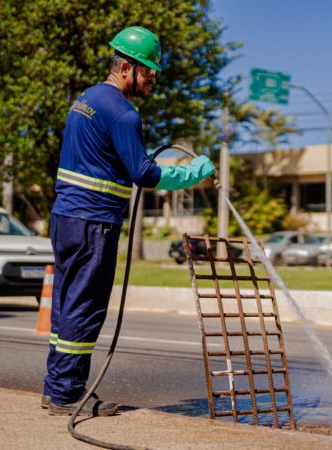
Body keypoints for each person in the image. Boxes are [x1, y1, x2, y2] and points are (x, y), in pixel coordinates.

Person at [42, 26, 215, 417]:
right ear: (126, 68)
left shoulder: (84, 99)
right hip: (94, 223)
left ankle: (55, 388)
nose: (153, 78)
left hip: (66, 217)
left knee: (66, 304)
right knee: (85, 309)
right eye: (148, 71)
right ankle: (67, 396)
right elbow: (145, 174)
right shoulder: (123, 112)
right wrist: (194, 171)